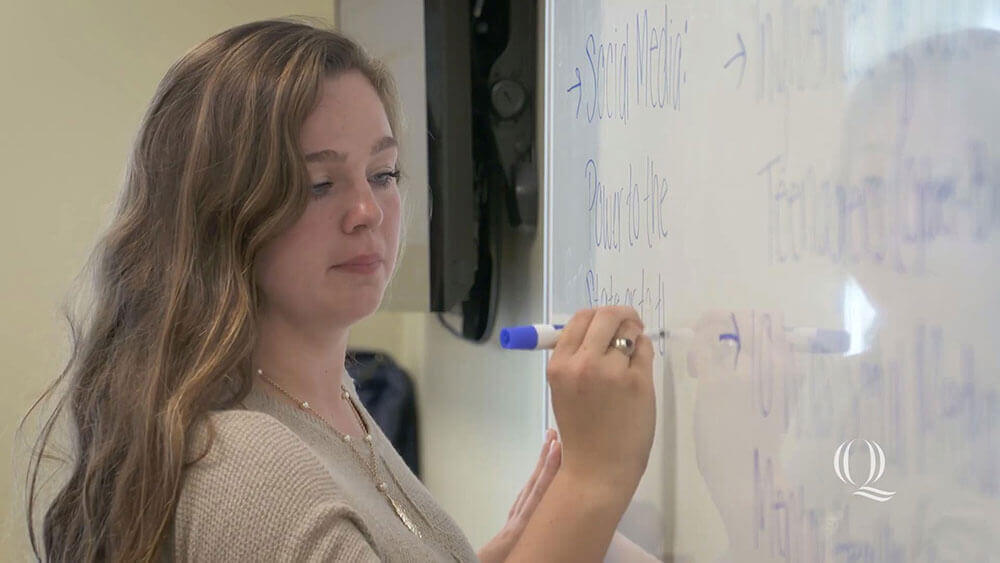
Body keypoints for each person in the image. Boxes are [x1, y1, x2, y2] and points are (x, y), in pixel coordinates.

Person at [23, 17, 656, 562]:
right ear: (220, 212)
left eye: (382, 173)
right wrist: (593, 480)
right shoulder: (247, 466)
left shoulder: (327, 403)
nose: (367, 211)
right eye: (319, 185)